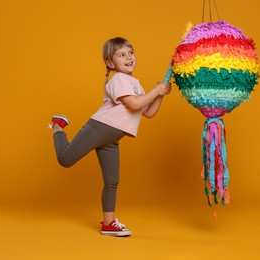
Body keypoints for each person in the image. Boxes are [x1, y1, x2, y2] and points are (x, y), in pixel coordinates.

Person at [50, 37, 171, 236]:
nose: (128, 57)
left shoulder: (135, 84)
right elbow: (133, 104)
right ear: (110, 63)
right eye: (121, 55)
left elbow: (148, 112)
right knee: (65, 159)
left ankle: (108, 223)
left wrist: (160, 95)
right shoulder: (118, 80)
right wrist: (155, 91)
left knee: (112, 181)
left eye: (130, 53)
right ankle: (57, 125)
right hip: (98, 128)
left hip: (112, 138)